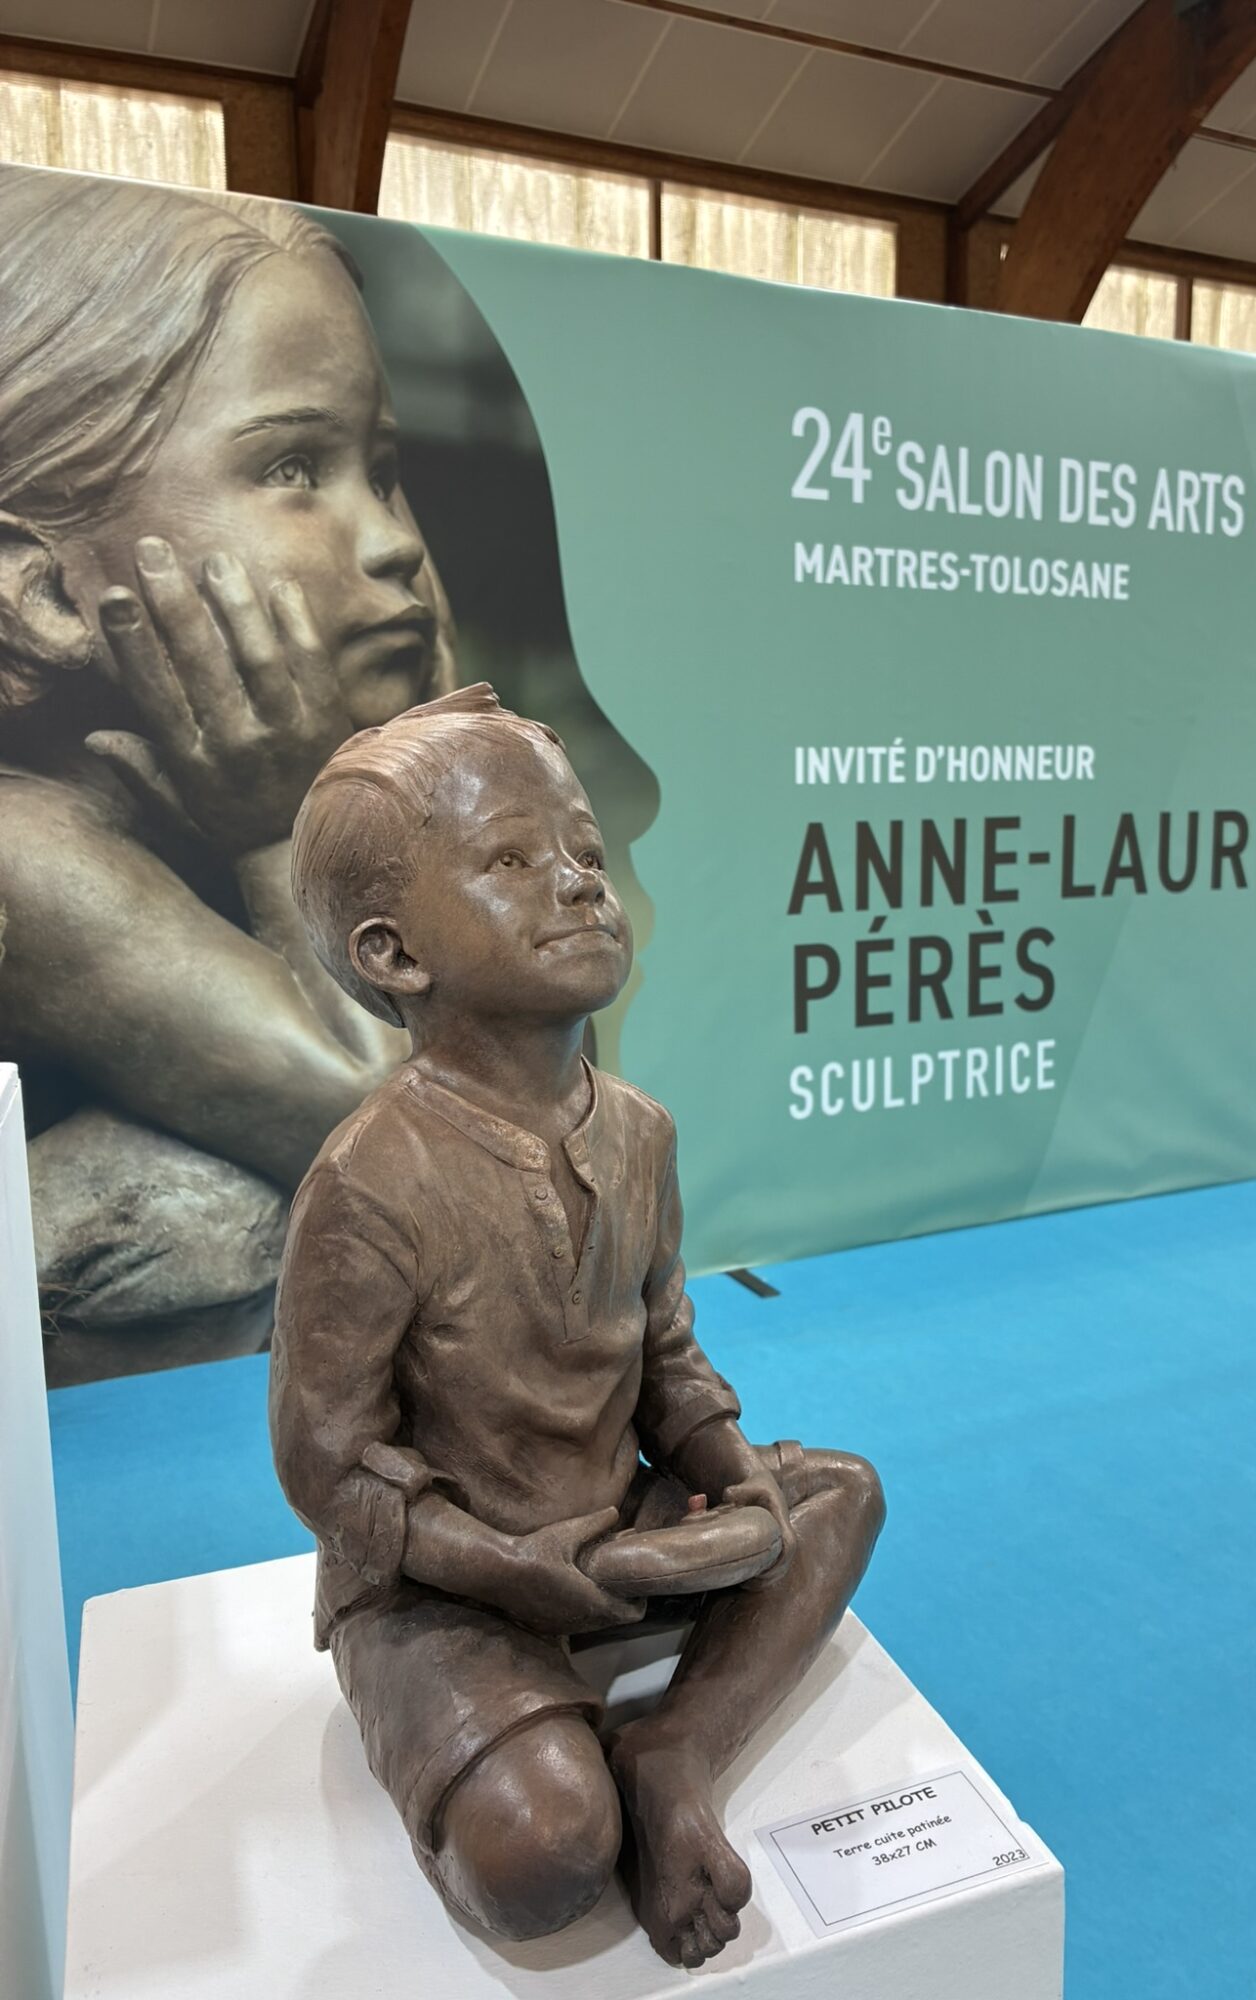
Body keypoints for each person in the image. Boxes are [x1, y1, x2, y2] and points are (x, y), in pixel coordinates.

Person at [271, 685, 885, 1968]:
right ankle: (558, 1739)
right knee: (545, 1853)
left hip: (616, 1523)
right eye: (510, 860)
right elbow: (328, 1466)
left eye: (587, 854)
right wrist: (511, 1570)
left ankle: (673, 1744)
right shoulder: (371, 1179)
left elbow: (665, 1351)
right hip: (448, 1585)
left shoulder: (640, 1129)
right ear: (392, 954)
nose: (579, 884)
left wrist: (725, 1475)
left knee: (838, 1495)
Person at [0, 166, 456, 1378]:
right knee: (209, 1208)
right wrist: (285, 829)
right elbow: (415, 1144)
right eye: (294, 469)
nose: (394, 540)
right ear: (42, 590)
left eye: (382, 467)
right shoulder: (29, 858)